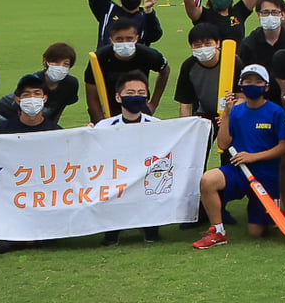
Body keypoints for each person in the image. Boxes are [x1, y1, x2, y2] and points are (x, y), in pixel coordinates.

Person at [192, 64, 285, 249]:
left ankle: (262, 211)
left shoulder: (276, 112)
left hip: (266, 175)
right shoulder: (236, 112)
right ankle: (217, 231)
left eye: (257, 82)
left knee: (257, 232)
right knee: (208, 180)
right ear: (241, 85)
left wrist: (254, 157)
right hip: (239, 171)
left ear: (266, 87)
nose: (252, 85)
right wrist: (227, 115)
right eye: (247, 81)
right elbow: (223, 144)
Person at [95, 69, 167, 244]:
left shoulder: (158, 126)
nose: (136, 97)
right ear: (118, 97)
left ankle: (150, 226)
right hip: (115, 179)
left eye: (141, 93)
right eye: (130, 93)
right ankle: (113, 229)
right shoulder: (104, 126)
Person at [84, 19, 170, 122]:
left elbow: (165, 70)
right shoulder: (99, 58)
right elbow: (91, 94)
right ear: (111, 40)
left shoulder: (148, 55)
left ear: (136, 38)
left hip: (138, 108)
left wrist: (153, 104)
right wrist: (101, 121)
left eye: (129, 38)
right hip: (108, 109)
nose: (124, 43)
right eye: (119, 39)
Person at [173, 23, 235, 121]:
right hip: (202, 115)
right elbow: (185, 103)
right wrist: (186, 125)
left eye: (207, 43)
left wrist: (229, 117)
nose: (203, 48)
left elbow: (242, 97)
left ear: (217, 43)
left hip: (230, 113)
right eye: (197, 45)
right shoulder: (188, 66)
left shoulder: (232, 61)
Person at [236, 0, 285, 97]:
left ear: (283, 14)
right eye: (265, 12)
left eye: (275, 12)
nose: (270, 16)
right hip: (258, 97)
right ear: (258, 15)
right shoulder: (248, 44)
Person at [0, 74, 64, 134]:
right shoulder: (1, 131)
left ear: (45, 98)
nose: (32, 97)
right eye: (26, 94)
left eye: (37, 94)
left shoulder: (56, 132)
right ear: (18, 100)